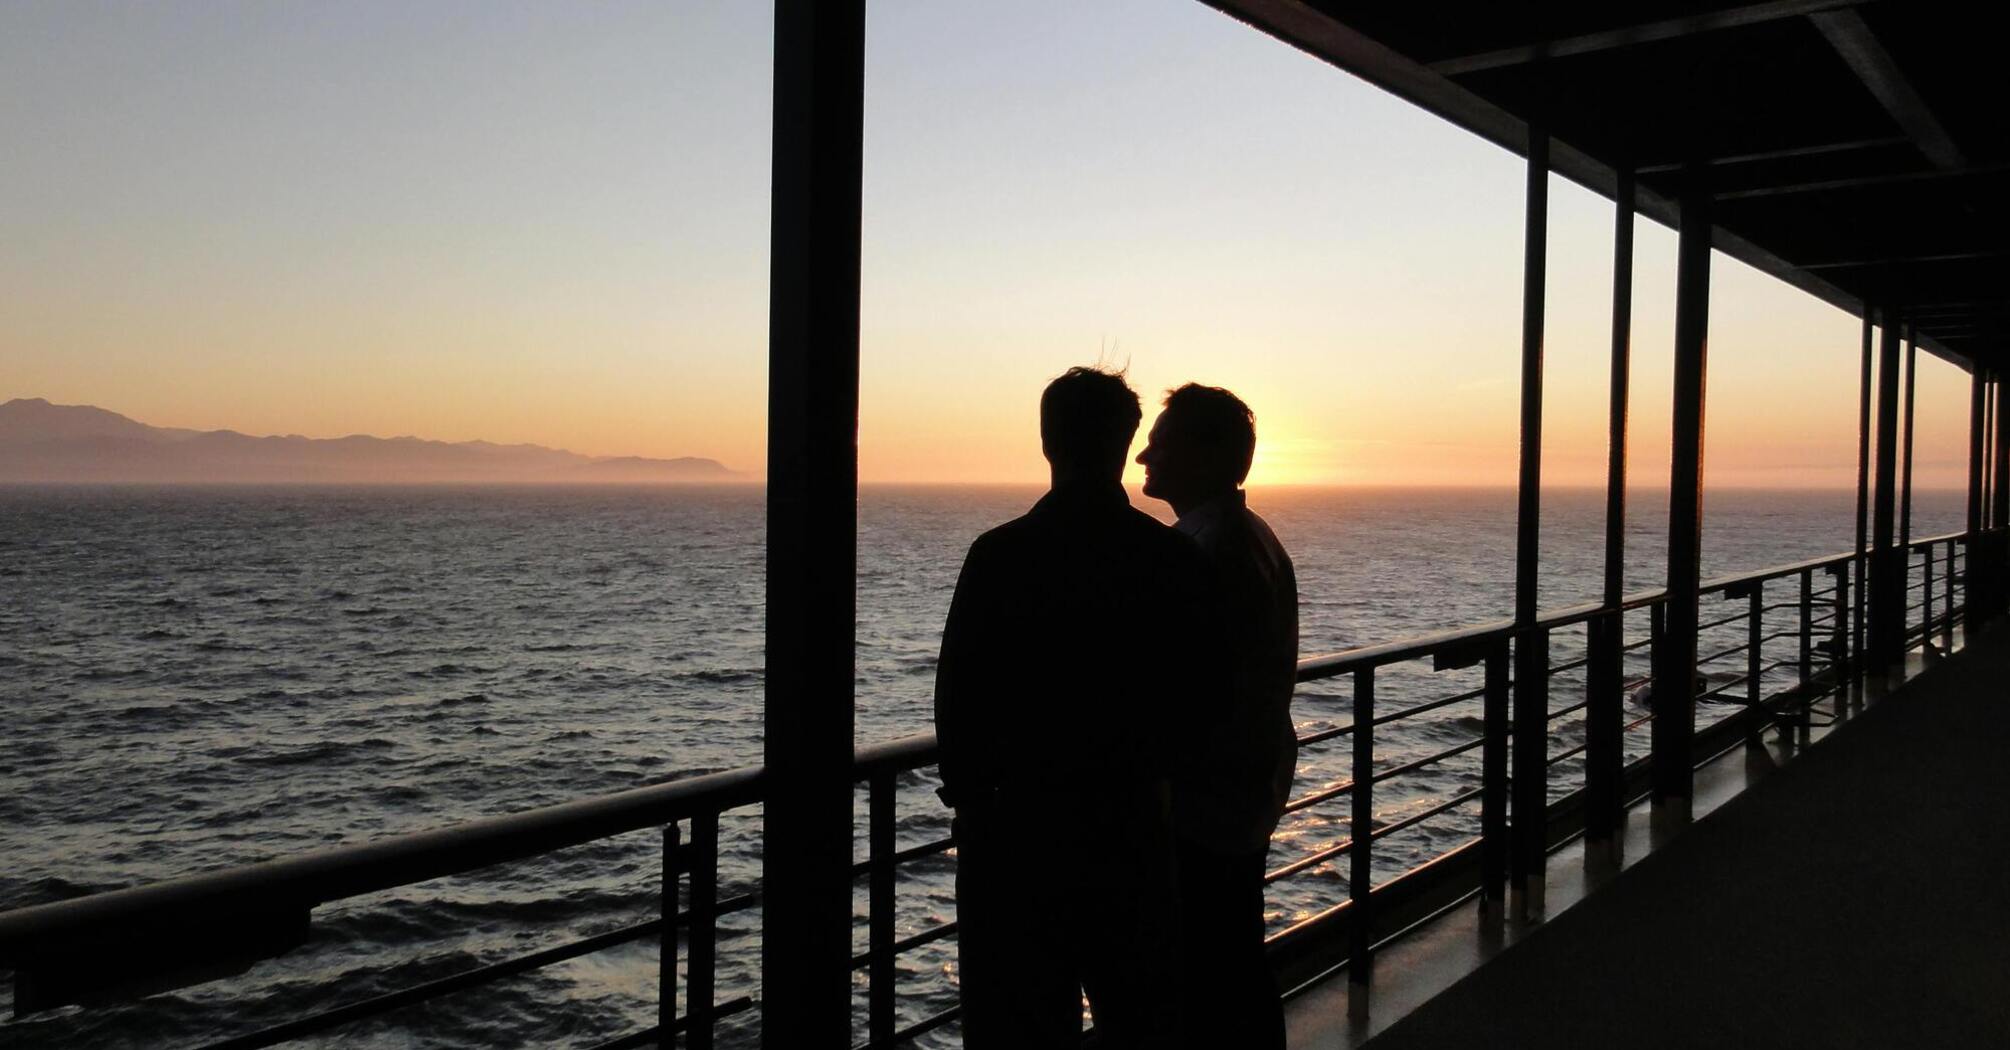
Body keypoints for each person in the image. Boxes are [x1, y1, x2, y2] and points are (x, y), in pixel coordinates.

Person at [934, 366, 1223, 1049]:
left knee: (1016, 1030)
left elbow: (958, 701)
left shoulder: (1000, 556)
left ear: (1046, 442)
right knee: (1143, 1024)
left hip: (1016, 845)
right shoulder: (1171, 562)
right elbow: (1200, 703)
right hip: (1134, 840)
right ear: (1124, 443)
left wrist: (977, 808)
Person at [1136, 383, 1298, 1050]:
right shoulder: (1252, 538)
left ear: (1203, 457)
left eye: (1163, 441)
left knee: (1203, 983)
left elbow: (1174, 694)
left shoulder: (1200, 554)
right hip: (1243, 799)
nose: (1145, 455)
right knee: (1235, 966)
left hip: (1201, 811)